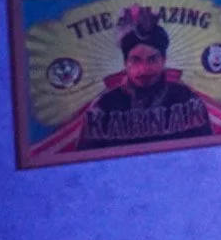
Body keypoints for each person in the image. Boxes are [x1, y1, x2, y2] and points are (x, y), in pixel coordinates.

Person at [79, 8, 213, 151]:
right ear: (125, 63)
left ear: (164, 60)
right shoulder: (103, 107)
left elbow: (207, 152)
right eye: (136, 60)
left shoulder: (187, 99)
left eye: (153, 59)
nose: (144, 69)